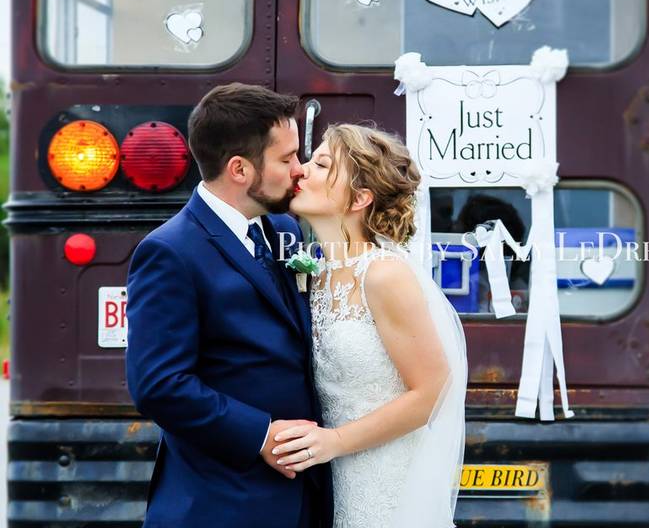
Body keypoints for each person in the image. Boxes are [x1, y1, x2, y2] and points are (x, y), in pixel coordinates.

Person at [125, 83, 331, 528]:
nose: (299, 169)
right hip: (220, 501)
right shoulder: (170, 252)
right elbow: (158, 384)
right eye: (286, 158)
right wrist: (261, 436)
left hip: (306, 497)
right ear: (239, 168)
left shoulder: (282, 229)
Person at [273, 123, 468, 528]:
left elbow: (433, 390)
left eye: (322, 165)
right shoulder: (317, 272)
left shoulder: (383, 275)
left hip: (388, 484)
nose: (302, 171)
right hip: (333, 482)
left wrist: (334, 442)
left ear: (360, 198)